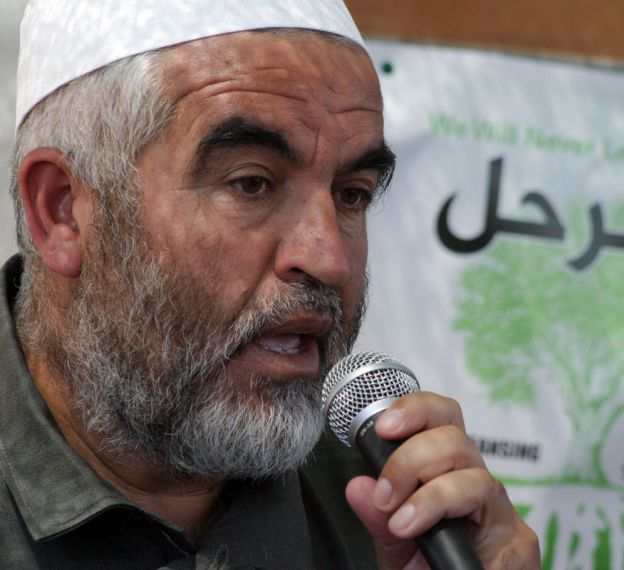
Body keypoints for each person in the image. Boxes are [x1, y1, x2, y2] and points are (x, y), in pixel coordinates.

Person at [0, 0, 540, 567]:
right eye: (251, 184)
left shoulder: (387, 517)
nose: (328, 259)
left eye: (351, 194)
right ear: (62, 210)